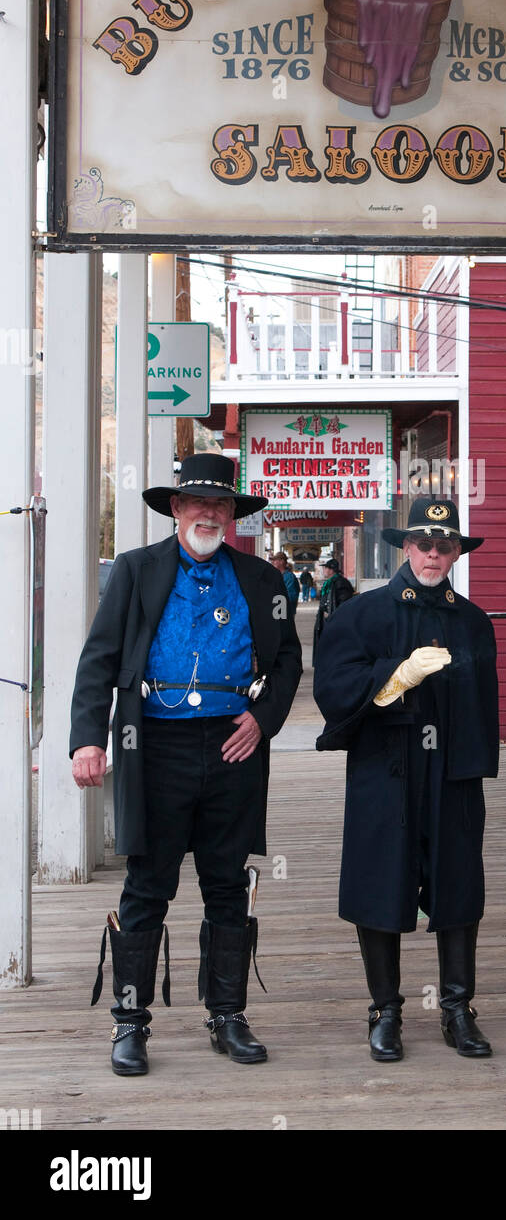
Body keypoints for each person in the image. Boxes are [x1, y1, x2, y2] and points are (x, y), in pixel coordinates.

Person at [70, 454, 302, 1076]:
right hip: (157, 749)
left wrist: (263, 721)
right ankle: (129, 1021)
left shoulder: (262, 580)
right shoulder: (136, 570)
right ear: (175, 508)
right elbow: (100, 658)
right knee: (148, 885)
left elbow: (286, 665)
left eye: (221, 504)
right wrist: (86, 739)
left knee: (228, 885)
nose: (208, 513)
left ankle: (227, 1015)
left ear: (233, 515)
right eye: (197, 503)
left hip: (234, 747)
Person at [313, 498, 499, 1061]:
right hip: (385, 769)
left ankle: (458, 1009)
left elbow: (486, 704)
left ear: (456, 553)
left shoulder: (473, 621)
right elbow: (332, 688)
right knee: (379, 883)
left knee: (458, 885)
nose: (434, 555)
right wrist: (394, 676)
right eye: (425, 544)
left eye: (446, 546)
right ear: (406, 547)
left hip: (453, 772)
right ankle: (385, 1011)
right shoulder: (362, 615)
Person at [311, 557, 355, 663]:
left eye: (325, 568)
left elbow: (345, 603)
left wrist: (335, 617)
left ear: (331, 570)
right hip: (327, 619)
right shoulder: (330, 583)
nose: (324, 570)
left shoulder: (340, 583)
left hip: (334, 621)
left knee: (333, 645)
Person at [272, 550, 300, 617]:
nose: (273, 562)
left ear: (282, 561)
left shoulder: (289, 577)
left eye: (275, 560)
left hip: (286, 611)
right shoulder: (276, 575)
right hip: (277, 609)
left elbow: (291, 596)